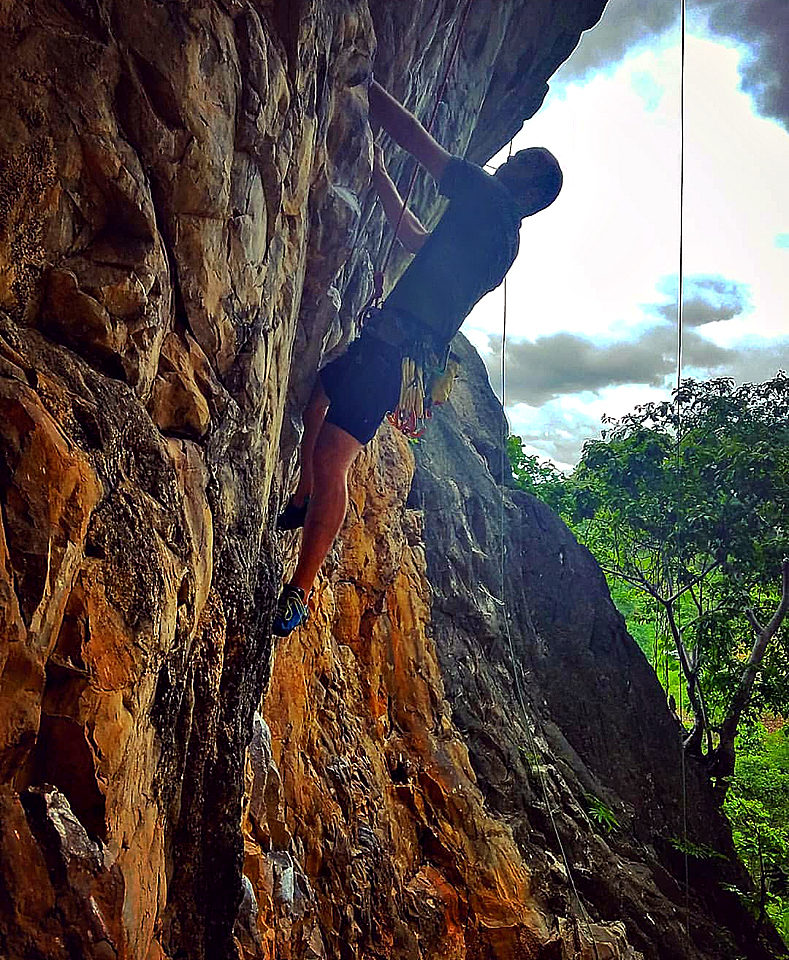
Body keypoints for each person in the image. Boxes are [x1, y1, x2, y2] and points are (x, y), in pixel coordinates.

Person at [272, 79, 563, 637]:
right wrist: (378, 175)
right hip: (397, 352)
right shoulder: (504, 242)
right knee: (319, 401)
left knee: (334, 457)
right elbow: (414, 239)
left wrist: (363, 80)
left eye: (518, 161)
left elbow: (416, 137)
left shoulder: (486, 198)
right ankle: (304, 496)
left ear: (528, 186)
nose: (506, 160)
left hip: (393, 355)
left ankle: (300, 590)